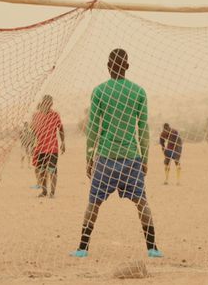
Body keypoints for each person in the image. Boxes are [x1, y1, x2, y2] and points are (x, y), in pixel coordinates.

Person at [70, 49, 163, 258]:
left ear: (108, 66)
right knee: (141, 202)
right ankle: (152, 248)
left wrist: (89, 159)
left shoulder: (100, 91)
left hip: (106, 158)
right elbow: (143, 129)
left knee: (94, 202)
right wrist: (145, 159)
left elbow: (93, 127)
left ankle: (83, 248)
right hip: (132, 158)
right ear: (127, 67)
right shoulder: (138, 92)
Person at [31, 95, 65, 198]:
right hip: (40, 148)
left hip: (52, 148)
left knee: (52, 170)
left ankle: (52, 193)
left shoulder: (54, 115)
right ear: (43, 102)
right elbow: (33, 131)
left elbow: (61, 128)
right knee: (41, 171)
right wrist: (33, 145)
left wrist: (63, 142)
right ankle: (44, 191)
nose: (48, 104)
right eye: (46, 102)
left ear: (51, 104)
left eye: (50, 102)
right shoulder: (36, 116)